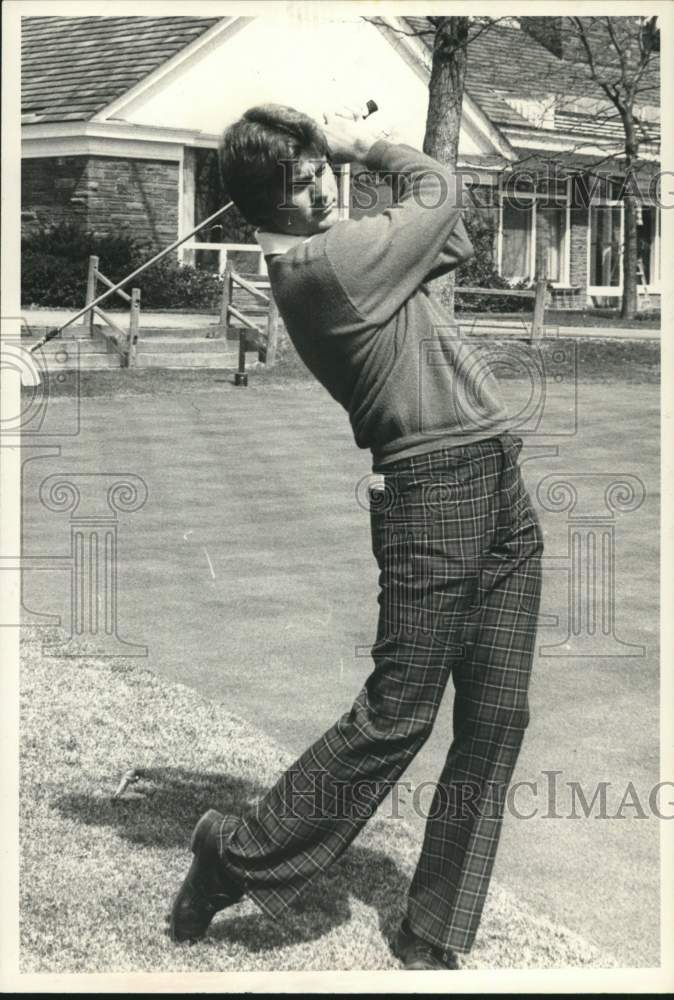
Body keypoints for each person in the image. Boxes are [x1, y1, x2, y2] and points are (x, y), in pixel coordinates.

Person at [168, 103, 544, 970]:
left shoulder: (343, 250)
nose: (325, 188)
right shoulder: (322, 266)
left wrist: (369, 183)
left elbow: (449, 238)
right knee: (397, 715)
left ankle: (433, 931)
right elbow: (440, 191)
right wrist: (362, 144)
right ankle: (234, 853)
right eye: (305, 184)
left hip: (495, 477)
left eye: (323, 171)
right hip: (433, 489)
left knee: (498, 714)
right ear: (269, 207)